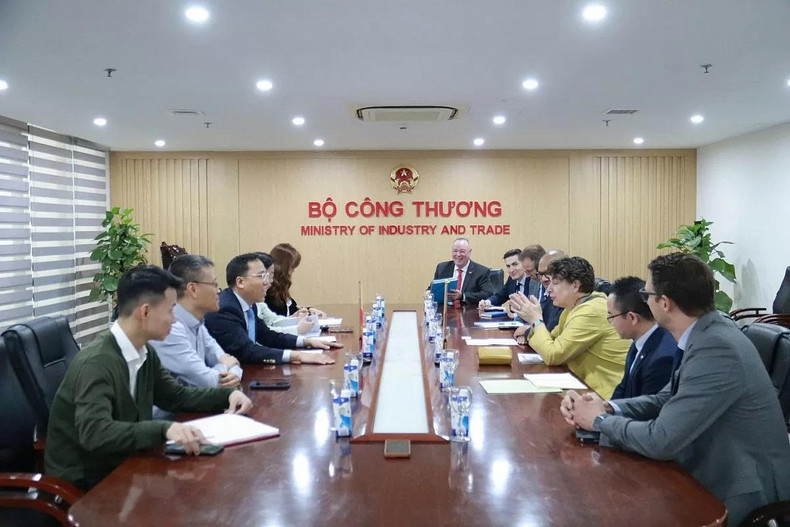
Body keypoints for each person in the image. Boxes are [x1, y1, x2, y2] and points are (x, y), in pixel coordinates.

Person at [562, 253, 790, 525]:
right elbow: (667, 396)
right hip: (711, 462)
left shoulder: (716, 347)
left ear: (665, 303)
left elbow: (662, 440)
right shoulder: (707, 332)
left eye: (647, 294)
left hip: (741, 486)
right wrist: (608, 407)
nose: (645, 300)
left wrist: (599, 421)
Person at [45, 265, 253, 491]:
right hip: (86, 485)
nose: (174, 320)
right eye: (171, 310)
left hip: (126, 465)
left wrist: (228, 394)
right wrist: (163, 429)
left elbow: (175, 397)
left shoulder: (144, 352)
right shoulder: (98, 362)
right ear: (145, 312)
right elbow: (95, 433)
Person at [509, 256, 629, 399]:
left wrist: (535, 321)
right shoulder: (574, 307)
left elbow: (552, 355)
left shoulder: (591, 310)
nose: (549, 290)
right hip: (582, 387)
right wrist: (532, 329)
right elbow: (551, 338)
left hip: (605, 396)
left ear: (575, 286)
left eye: (555, 283)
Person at [204, 253, 340, 365]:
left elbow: (267, 336)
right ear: (240, 282)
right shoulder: (226, 308)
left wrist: (306, 341)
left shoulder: (248, 305)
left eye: (268, 276)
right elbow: (247, 350)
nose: (267, 282)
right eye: (261, 276)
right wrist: (296, 355)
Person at [151, 255, 243, 389]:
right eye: (214, 284)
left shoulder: (197, 322)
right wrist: (226, 366)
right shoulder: (171, 327)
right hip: (174, 409)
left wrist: (232, 370)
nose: (218, 291)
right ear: (193, 289)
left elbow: (228, 361)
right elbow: (206, 381)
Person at [607, 276, 676, 399]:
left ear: (632, 317)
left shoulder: (662, 359)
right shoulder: (639, 341)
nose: (610, 323)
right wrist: (603, 409)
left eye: (611, 317)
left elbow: (646, 410)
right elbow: (623, 387)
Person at [265, 243, 325, 317]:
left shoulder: (280, 289)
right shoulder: (267, 291)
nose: (293, 271)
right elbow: (273, 321)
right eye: (292, 267)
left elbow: (294, 309)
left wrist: (310, 310)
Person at [432, 237, 494, 307]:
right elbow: (433, 288)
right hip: (445, 311)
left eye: (462, 251)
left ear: (469, 252)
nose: (458, 254)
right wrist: (427, 293)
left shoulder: (481, 272)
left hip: (469, 313)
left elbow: (488, 294)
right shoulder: (442, 268)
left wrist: (462, 296)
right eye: (455, 251)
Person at [534, 249, 566, 330]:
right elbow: (546, 330)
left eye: (548, 273)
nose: (544, 279)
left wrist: (535, 320)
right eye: (540, 274)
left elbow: (549, 339)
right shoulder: (551, 298)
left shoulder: (584, 310)